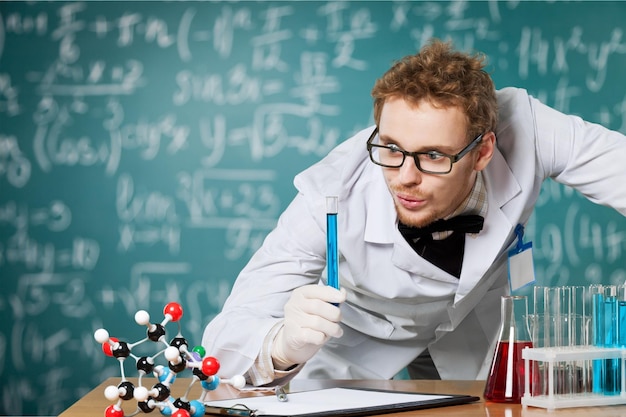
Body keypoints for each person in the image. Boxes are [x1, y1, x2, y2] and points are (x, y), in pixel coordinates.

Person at [202, 39, 626, 385]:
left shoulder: (530, 128)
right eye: (390, 148)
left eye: (433, 156)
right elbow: (227, 339)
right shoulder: (330, 194)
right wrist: (281, 344)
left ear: (482, 151)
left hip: (472, 331)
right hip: (356, 344)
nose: (405, 177)